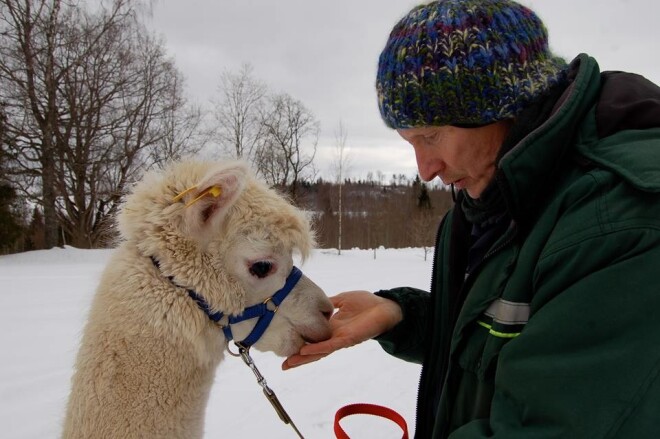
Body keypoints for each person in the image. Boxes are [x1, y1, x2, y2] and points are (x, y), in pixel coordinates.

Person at [284, 0, 660, 437]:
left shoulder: (619, 218)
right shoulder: (495, 196)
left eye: (431, 135)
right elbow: (503, 341)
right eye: (410, 141)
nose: (426, 169)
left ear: (505, 106)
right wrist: (403, 315)